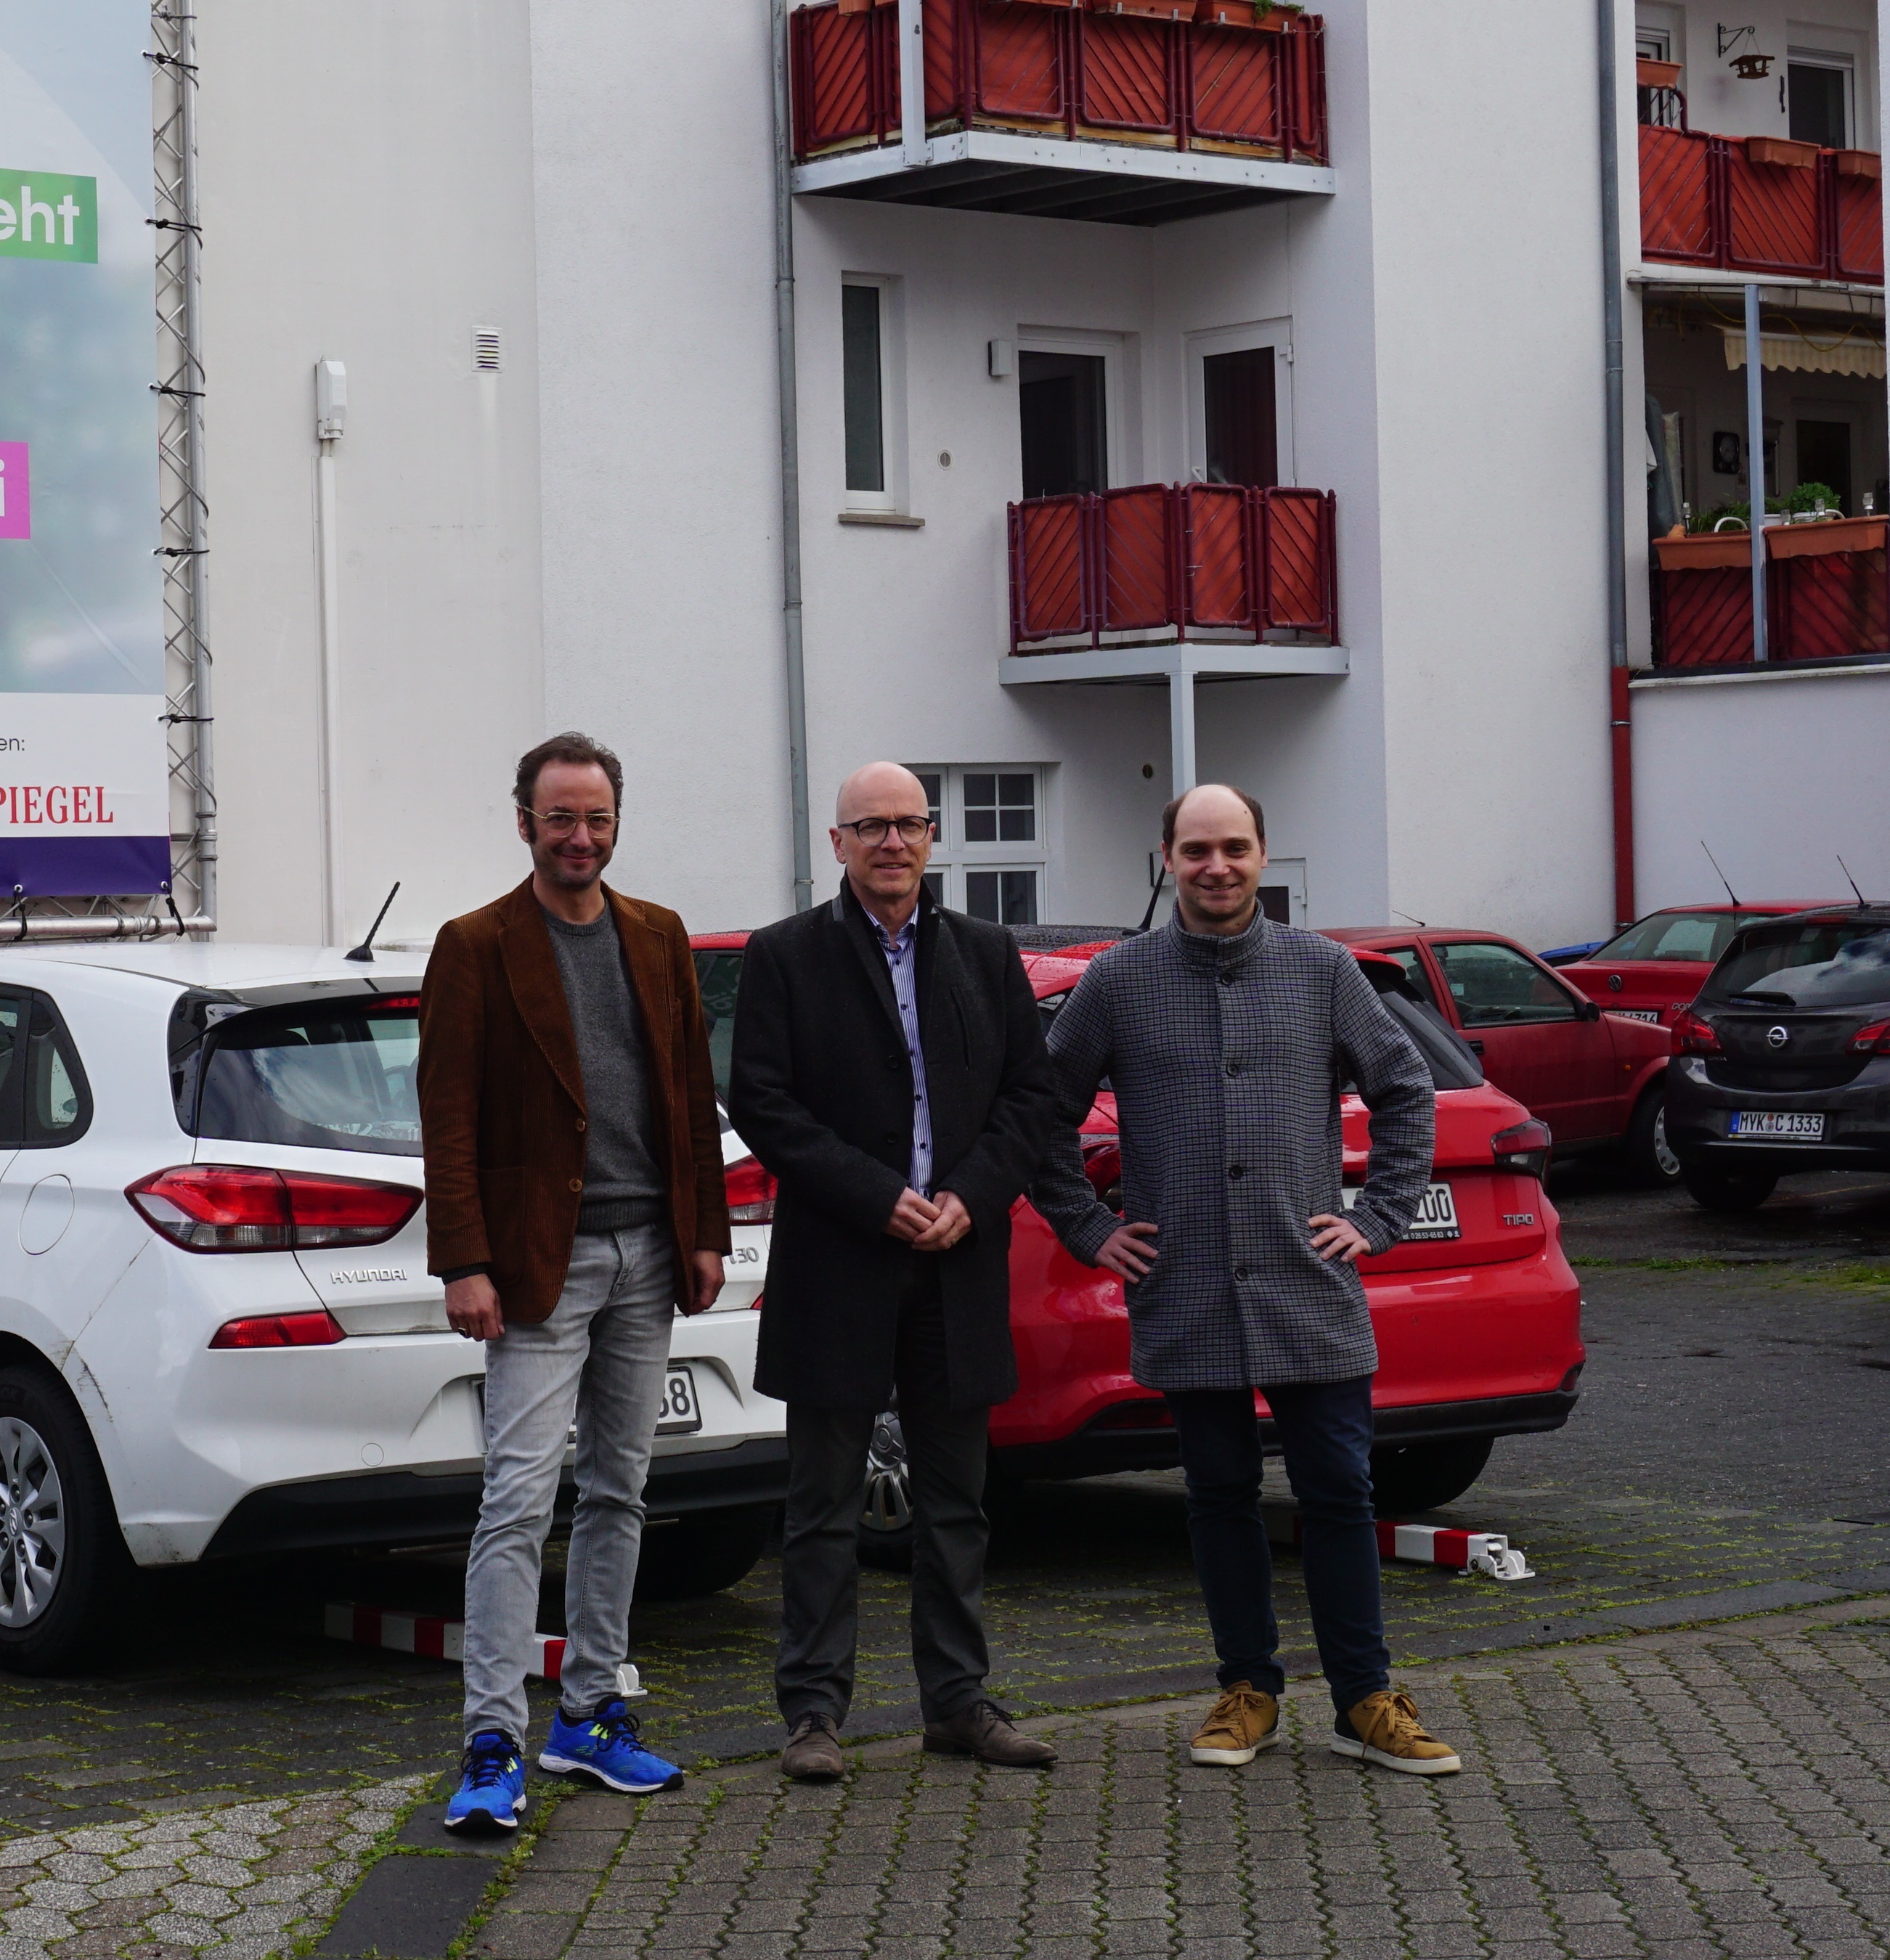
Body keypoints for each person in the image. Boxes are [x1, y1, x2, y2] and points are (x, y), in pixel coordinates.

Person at [1038, 783, 1463, 1776]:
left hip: (1306, 1283)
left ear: (1262, 856)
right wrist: (1090, 1228)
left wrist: (1379, 1218)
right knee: (1219, 1493)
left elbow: (1405, 1089)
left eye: (1233, 847)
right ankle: (1247, 1690)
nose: (1216, 866)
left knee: (1338, 1491)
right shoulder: (1119, 982)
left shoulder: (1321, 973)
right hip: (1186, 1286)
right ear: (1166, 858)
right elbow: (1038, 1112)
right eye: (1197, 849)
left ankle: (1364, 1700)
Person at [725, 761, 1070, 1781]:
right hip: (841, 1260)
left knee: (957, 1502)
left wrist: (974, 1191)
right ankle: (814, 1716)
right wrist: (876, 1195)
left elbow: (1031, 1097)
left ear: (931, 838)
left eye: (909, 824)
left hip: (959, 1261)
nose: (891, 843)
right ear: (836, 844)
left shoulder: (986, 952)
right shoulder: (787, 957)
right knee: (823, 1504)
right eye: (869, 826)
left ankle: (958, 1704)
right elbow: (765, 1103)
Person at [417, 731, 734, 1834]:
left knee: (621, 1491)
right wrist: (463, 1258)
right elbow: (447, 1116)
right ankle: (493, 1739)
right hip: (536, 1268)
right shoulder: (475, 945)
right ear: (525, 824)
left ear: (615, 822)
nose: (581, 837)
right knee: (516, 1501)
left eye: (596, 818)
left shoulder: (658, 936)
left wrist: (708, 1234)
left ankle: (591, 1715)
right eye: (561, 818)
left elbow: (689, 1096)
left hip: (651, 1253)